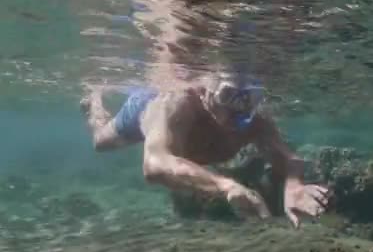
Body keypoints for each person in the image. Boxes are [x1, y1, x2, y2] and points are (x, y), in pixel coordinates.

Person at [80, 72, 329, 228]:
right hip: (142, 112)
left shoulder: (254, 119)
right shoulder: (176, 106)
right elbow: (155, 164)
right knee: (101, 142)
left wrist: (294, 184)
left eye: (249, 97)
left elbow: (284, 155)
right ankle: (94, 106)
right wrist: (225, 186)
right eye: (228, 94)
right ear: (203, 90)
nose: (238, 108)